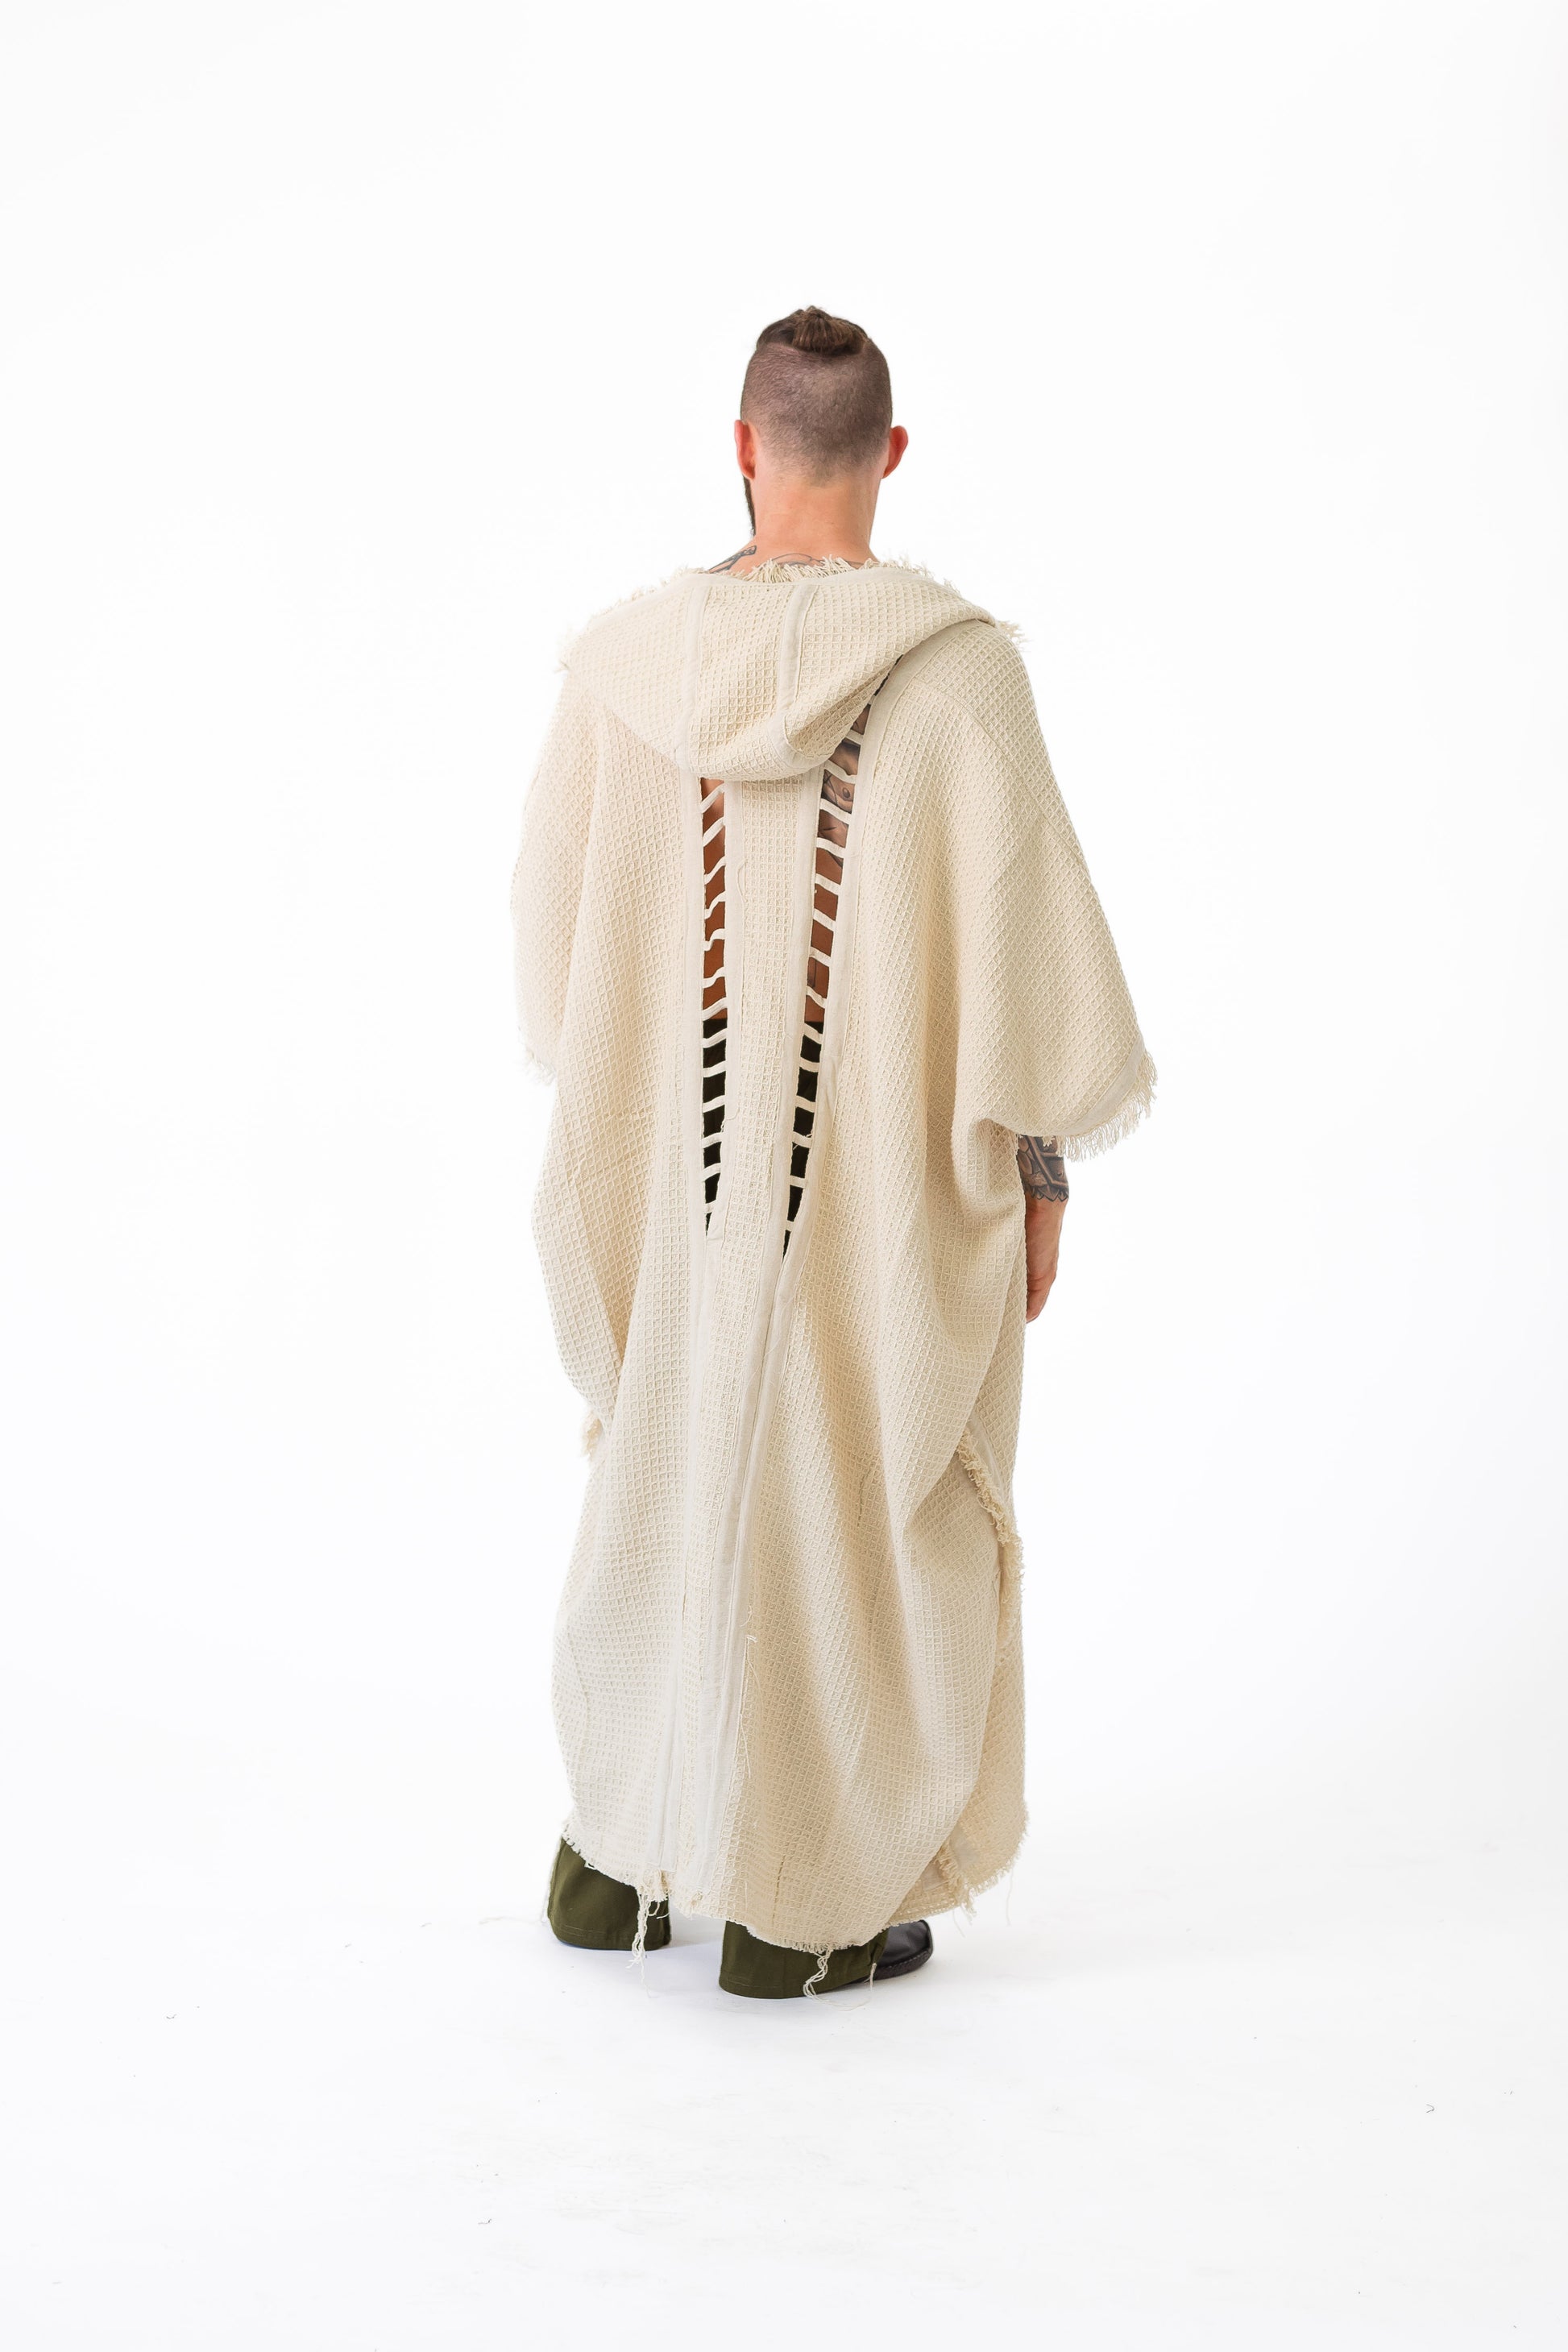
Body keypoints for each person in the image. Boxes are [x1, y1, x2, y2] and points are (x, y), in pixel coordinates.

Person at [511, 307, 1154, 1998]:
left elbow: (554, 951)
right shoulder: (957, 676)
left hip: (673, 1170)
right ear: (891, 454)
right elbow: (1025, 962)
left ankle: (611, 1863)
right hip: (862, 1187)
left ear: (742, 447)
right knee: (853, 1504)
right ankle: (801, 1914)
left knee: (664, 1465)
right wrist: (1037, 1180)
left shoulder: (627, 672)